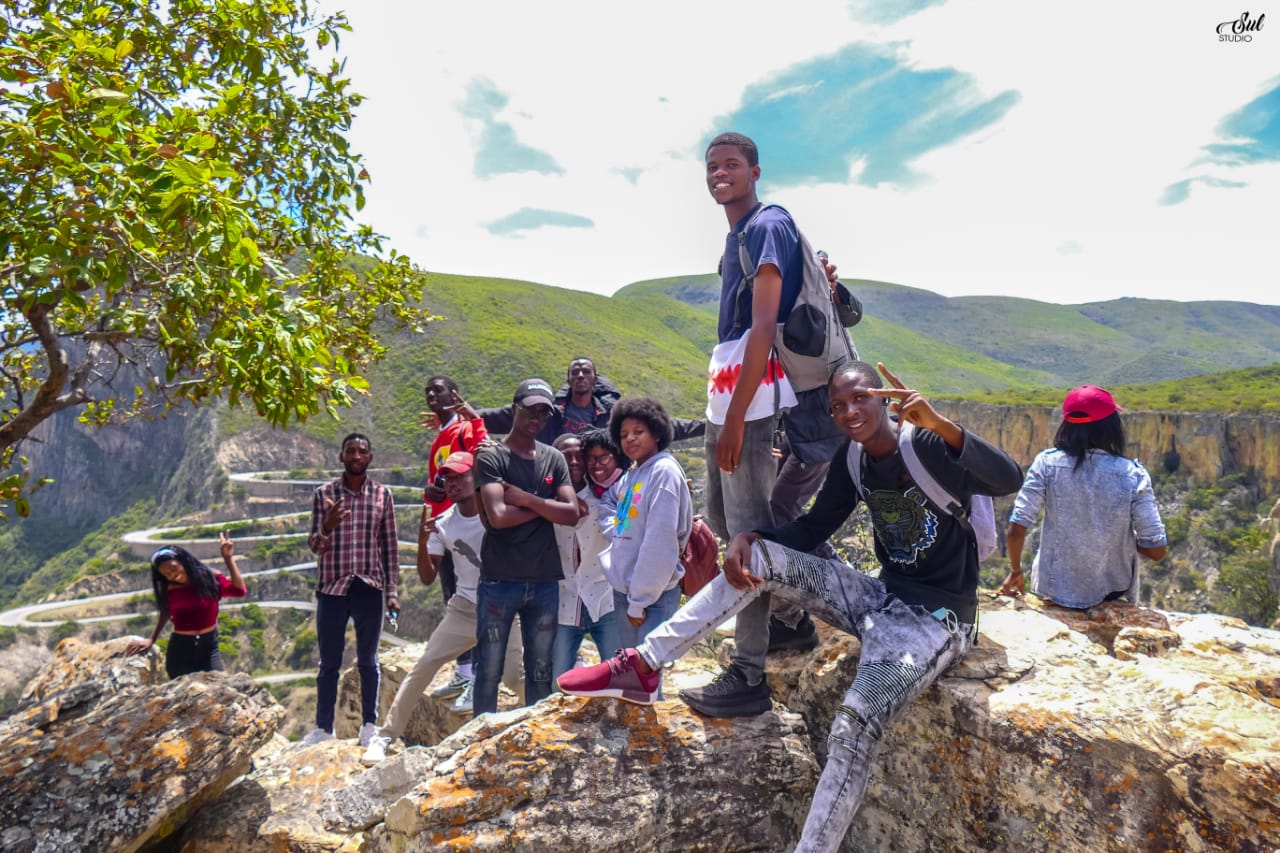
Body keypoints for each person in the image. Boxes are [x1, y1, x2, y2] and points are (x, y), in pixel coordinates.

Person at [559, 361, 1024, 853]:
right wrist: (751, 538)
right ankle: (643, 664)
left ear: (884, 398)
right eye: (838, 406)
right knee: (756, 559)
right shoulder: (853, 458)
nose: (849, 412)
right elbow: (813, 527)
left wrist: (942, 425)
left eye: (860, 398)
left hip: (935, 620)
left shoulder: (927, 444)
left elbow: (1007, 477)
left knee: (855, 720)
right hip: (880, 595)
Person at [684, 130, 812, 716]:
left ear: (756, 171)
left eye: (731, 164)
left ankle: (749, 673)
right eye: (712, 166)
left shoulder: (765, 226)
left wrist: (736, 419)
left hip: (752, 400)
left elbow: (762, 327)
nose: (718, 174)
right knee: (722, 520)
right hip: (730, 393)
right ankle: (788, 621)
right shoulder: (738, 233)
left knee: (746, 534)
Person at [361, 452, 523, 764]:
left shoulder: (497, 510)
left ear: (475, 477)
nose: (453, 484)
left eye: (461, 476)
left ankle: (535, 717)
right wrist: (424, 542)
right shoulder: (445, 524)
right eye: (447, 478)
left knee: (515, 678)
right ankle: (384, 738)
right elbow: (426, 576)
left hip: (502, 606)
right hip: (464, 608)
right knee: (423, 668)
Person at [998, 385, 1168, 607]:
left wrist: (1015, 570)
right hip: (1112, 593)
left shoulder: (1046, 464)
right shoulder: (1133, 475)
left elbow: (1016, 528)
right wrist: (1116, 538)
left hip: (1052, 589)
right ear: (1111, 426)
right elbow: (1156, 550)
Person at [472, 379, 582, 716]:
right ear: (514, 408)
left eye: (543, 412)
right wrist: (545, 506)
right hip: (500, 580)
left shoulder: (553, 459)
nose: (536, 417)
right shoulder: (492, 457)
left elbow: (573, 514)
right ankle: (479, 739)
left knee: (540, 670)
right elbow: (499, 517)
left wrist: (524, 498)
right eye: (530, 409)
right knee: (488, 669)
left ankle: (532, 735)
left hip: (544, 580)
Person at [302, 433, 400, 747]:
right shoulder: (324, 494)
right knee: (328, 663)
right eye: (350, 451)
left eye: (362, 451)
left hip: (369, 586)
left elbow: (390, 546)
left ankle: (369, 725)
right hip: (332, 587)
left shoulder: (382, 494)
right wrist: (327, 527)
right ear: (342, 456)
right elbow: (315, 546)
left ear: (370, 458)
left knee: (368, 660)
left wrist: (393, 590)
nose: (356, 456)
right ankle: (322, 728)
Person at [598, 397, 692, 698]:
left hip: (651, 598)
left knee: (646, 677)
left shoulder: (663, 472)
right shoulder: (632, 474)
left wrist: (639, 600)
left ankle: (651, 740)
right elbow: (617, 513)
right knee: (632, 675)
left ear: (657, 433)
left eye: (638, 431)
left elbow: (660, 544)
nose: (629, 439)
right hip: (628, 592)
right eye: (624, 434)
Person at [418, 374, 489, 700]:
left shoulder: (462, 429)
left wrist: (471, 416)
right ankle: (464, 672)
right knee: (452, 595)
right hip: (444, 525)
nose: (432, 394)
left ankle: (478, 676)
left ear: (454, 393)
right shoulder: (444, 432)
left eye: (440, 389)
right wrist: (432, 490)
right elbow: (440, 478)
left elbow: (480, 452)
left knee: (470, 598)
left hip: (464, 524)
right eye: (428, 391)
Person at [477, 357, 705, 443]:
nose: (580, 376)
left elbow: (666, 426)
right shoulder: (550, 413)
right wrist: (461, 415)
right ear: (568, 379)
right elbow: (507, 416)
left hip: (603, 483)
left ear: (595, 379)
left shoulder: (613, 413)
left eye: (586, 372)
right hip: (559, 480)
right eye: (575, 372)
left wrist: (709, 426)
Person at [126, 533, 246, 678]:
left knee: (219, 688)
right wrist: (151, 639)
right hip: (181, 650)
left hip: (208, 647)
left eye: (174, 568)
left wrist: (228, 559)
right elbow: (165, 612)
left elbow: (239, 591)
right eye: (166, 574)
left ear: (183, 561)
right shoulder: (169, 589)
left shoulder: (209, 577)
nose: (172, 575)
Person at [550, 432, 620, 682]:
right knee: (559, 680)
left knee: (617, 673)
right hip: (565, 599)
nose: (574, 462)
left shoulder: (607, 497)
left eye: (579, 455)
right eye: (565, 457)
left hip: (604, 596)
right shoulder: (545, 501)